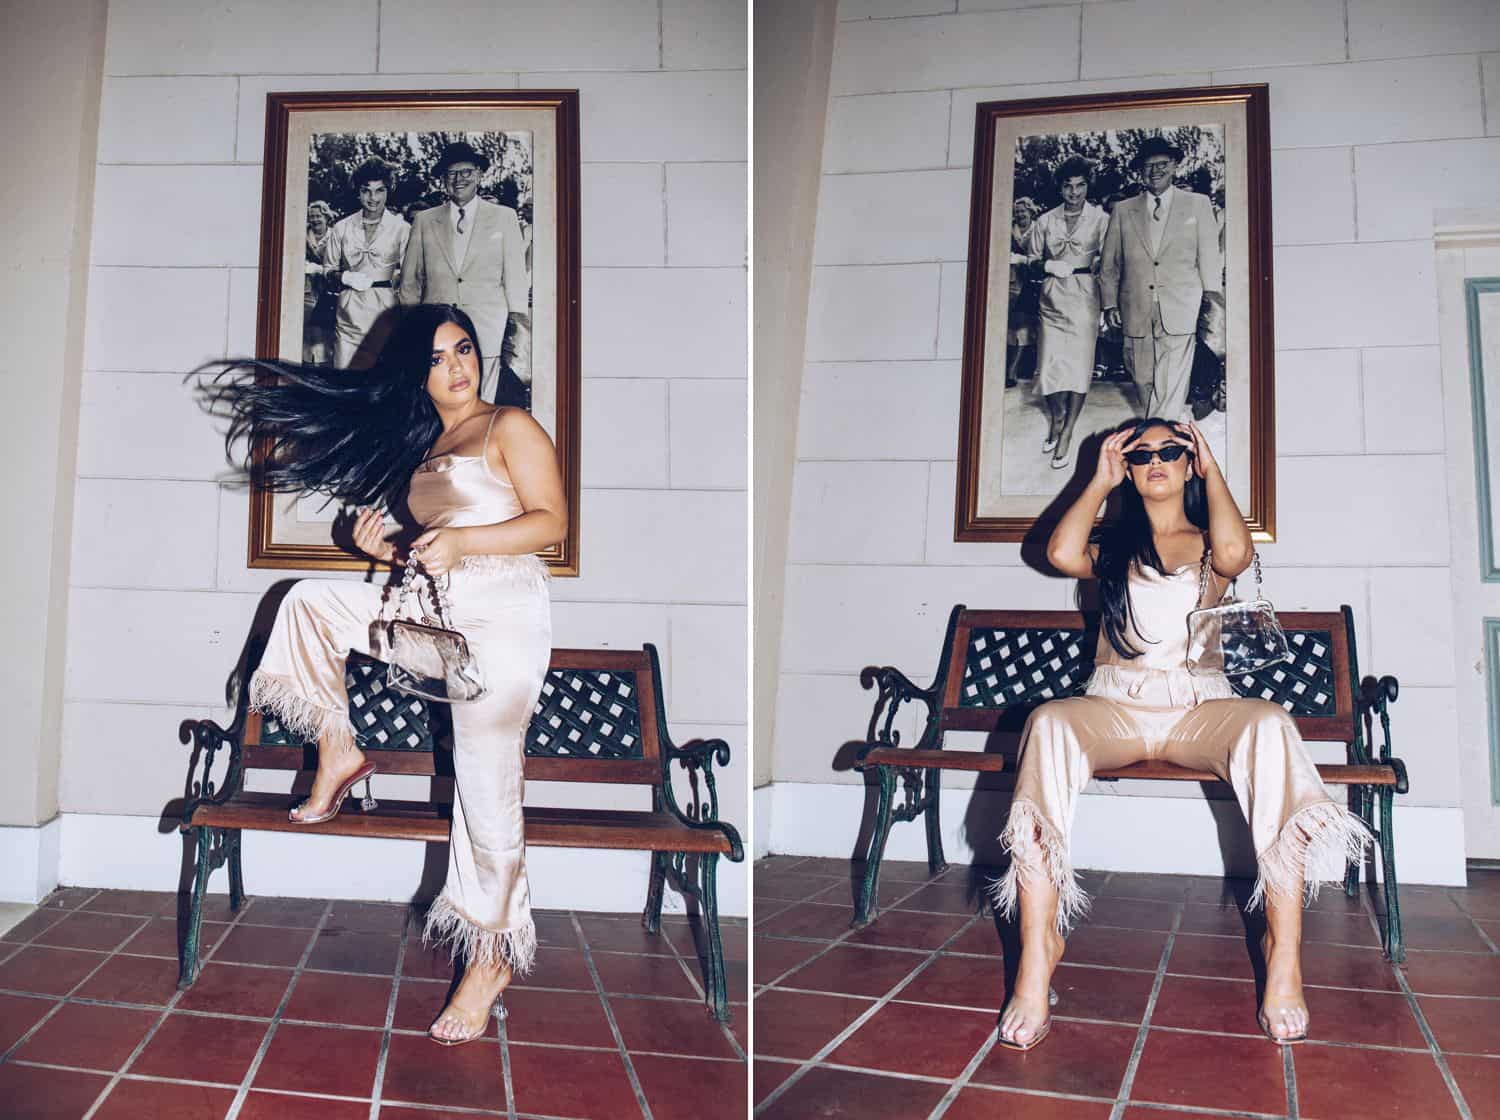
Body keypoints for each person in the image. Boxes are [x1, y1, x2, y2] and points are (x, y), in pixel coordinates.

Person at [204, 304, 565, 1046]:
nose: (458, 366)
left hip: (503, 618)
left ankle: (491, 956)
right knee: (309, 602)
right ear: (416, 372)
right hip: (437, 611)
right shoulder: (429, 443)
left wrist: (461, 540)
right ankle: (340, 749)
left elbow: (550, 522)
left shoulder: (510, 426)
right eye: (438, 357)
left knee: (484, 784)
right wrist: (388, 542)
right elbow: (436, 545)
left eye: (464, 349)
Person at [992, 417, 1370, 1051]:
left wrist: (1211, 466)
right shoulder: (1112, 547)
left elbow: (1236, 555)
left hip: (1200, 707)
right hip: (1115, 706)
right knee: (1049, 723)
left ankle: (1284, 958)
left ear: (1190, 463)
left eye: (1172, 450)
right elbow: (1059, 555)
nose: (1157, 461)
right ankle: (1037, 957)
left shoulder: (1208, 541)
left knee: (1271, 726)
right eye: (1142, 454)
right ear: (1130, 468)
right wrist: (1098, 478)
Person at [1099, 137, 1222, 422]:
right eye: (1148, 165)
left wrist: (1212, 302)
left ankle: (1162, 433)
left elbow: (1209, 258)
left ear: (1175, 166)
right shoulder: (1123, 210)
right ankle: (1160, 425)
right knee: (1141, 376)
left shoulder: (1198, 204)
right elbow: (1109, 265)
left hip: (1182, 304)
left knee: (1172, 380)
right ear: (1139, 170)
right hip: (1135, 306)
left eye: (1162, 164)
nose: (1155, 170)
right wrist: (1109, 304)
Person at [399, 141, 531, 405]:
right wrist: (415, 325)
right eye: (451, 174)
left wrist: (515, 327)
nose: (459, 180)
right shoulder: (425, 220)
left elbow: (515, 278)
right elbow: (410, 282)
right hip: (437, 329)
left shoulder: (504, 217)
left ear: (479, 175)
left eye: (466, 172)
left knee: (484, 402)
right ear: (443, 179)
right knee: (439, 400)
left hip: (488, 330)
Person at [1026, 157, 1109, 469]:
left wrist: (1106, 291)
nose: (1074, 192)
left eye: (1080, 185)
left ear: (1087, 186)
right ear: (1059, 187)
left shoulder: (1101, 219)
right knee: (1048, 364)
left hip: (1086, 296)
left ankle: (1068, 430)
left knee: (1078, 367)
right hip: (1052, 298)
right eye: (1068, 186)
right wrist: (1047, 265)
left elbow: (1110, 258)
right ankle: (1056, 414)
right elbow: (1031, 258)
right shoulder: (1045, 221)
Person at [322, 160, 411, 369]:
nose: (373, 198)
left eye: (379, 190)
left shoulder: (401, 228)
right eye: (366, 191)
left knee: (381, 380)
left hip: (386, 313)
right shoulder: (341, 227)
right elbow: (328, 270)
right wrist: (344, 277)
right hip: (348, 314)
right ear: (358, 192)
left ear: (388, 191)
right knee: (345, 378)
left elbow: (411, 274)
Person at [1005, 197, 1041, 388]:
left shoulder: (1038, 229)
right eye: (1017, 211)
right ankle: (1012, 370)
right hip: (1013, 283)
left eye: (1022, 211)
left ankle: (1031, 369)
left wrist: (1022, 259)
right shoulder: (1009, 230)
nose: (1019, 215)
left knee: (1035, 327)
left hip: (1035, 283)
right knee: (1015, 326)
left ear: (1030, 212)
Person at [302, 200, 337, 365]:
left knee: (327, 330)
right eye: (312, 216)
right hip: (307, 288)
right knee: (308, 327)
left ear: (326, 216)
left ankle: (326, 363)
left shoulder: (334, 235)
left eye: (318, 216)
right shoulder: (304, 235)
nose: (315, 219)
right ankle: (308, 362)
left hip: (328, 289)